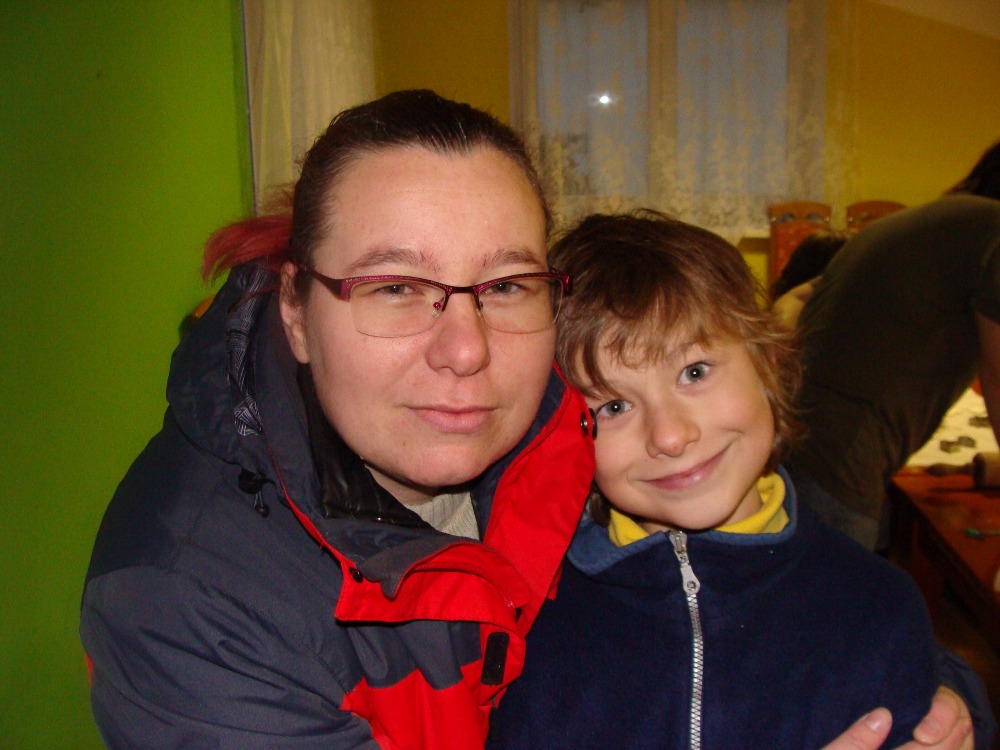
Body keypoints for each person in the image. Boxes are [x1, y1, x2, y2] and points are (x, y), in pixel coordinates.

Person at [79, 90, 974, 750]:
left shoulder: (552, 408)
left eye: (504, 283)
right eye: (396, 287)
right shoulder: (189, 605)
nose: (466, 349)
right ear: (295, 310)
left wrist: (939, 696)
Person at [487, 210, 984, 750]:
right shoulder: (527, 621)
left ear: (767, 365)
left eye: (694, 372)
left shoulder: (879, 607)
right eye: (613, 406)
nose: (670, 435)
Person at [781, 140, 1000, 552]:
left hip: (800, 437)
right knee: (842, 587)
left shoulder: (929, 221)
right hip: (841, 459)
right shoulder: (993, 231)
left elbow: (794, 297)